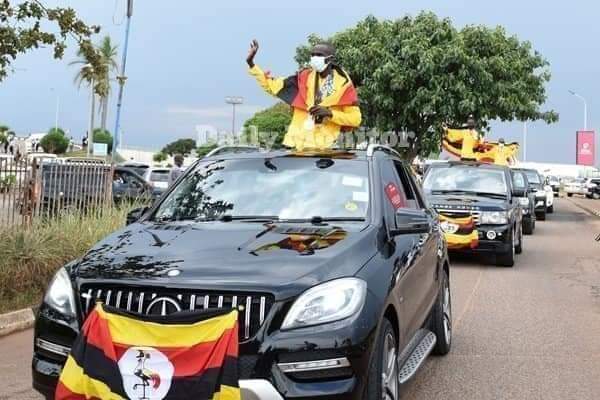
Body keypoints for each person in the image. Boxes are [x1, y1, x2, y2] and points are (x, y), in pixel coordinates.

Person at [247, 39, 361, 150]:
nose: (314, 58)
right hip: (293, 145)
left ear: (330, 59)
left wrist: (330, 114)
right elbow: (271, 86)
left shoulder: (344, 85)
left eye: (319, 55)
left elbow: (355, 119)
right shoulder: (303, 77)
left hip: (322, 149)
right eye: (312, 55)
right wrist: (251, 64)